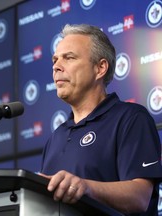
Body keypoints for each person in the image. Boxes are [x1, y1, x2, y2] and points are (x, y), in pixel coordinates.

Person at [39, 24, 162, 215]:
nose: (56, 66)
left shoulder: (131, 118)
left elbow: (140, 197)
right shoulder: (55, 137)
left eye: (69, 58)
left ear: (100, 68)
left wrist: (85, 188)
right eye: (55, 60)